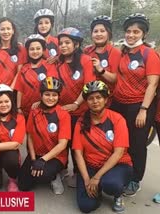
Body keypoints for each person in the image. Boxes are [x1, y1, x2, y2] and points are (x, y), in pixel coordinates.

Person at [111, 13, 160, 196]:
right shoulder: (123, 52)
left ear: (144, 34)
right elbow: (117, 78)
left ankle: (135, 179)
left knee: (137, 144)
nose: (131, 35)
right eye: (129, 31)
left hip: (139, 105)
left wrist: (143, 110)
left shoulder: (149, 54)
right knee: (119, 141)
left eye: (136, 32)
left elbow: (153, 84)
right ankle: (119, 171)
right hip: (118, 104)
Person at [73, 80, 133, 213]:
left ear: (106, 99)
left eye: (99, 97)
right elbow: (78, 153)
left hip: (118, 164)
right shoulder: (81, 122)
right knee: (86, 206)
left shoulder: (117, 119)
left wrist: (97, 177)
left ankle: (118, 194)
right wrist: (87, 179)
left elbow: (118, 153)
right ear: (86, 102)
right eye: (90, 98)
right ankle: (97, 190)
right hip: (91, 166)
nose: (95, 101)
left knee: (111, 184)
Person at [56, 27, 96, 187]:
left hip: (81, 110)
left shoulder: (85, 60)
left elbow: (88, 85)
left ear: (77, 45)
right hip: (62, 111)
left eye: (67, 43)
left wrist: (76, 104)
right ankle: (61, 169)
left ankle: (78, 172)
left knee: (78, 144)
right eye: (61, 43)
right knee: (62, 141)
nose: (63, 46)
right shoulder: (57, 62)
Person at [18, 77, 70, 195]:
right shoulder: (34, 111)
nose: (51, 98)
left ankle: (54, 176)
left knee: (44, 175)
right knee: (23, 185)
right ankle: (39, 173)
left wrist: (42, 160)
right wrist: (32, 159)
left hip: (56, 157)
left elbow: (63, 145)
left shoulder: (63, 114)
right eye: (47, 94)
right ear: (41, 95)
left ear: (59, 96)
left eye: (54, 95)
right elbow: (30, 136)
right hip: (36, 154)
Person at [15, 34, 58, 118]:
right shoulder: (24, 68)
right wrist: (18, 107)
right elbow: (19, 90)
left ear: (43, 50)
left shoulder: (49, 66)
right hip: (25, 111)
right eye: (32, 49)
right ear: (27, 51)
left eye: (38, 48)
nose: (35, 51)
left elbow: (51, 88)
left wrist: (41, 102)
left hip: (42, 109)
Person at [0, 17, 27, 90]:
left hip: (13, 89)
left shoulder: (20, 49)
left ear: (13, 31)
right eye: (2, 29)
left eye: (8, 28)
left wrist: (11, 89)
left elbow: (19, 72)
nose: (6, 32)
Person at [84, 15, 120, 98]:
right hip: (89, 96)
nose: (98, 34)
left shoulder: (115, 52)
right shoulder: (87, 50)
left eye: (102, 31)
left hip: (107, 98)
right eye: (95, 31)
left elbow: (114, 79)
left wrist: (100, 69)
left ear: (108, 33)